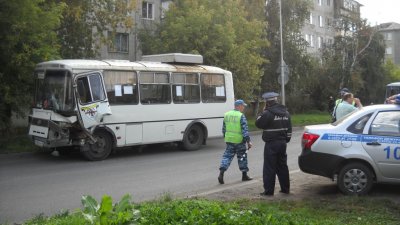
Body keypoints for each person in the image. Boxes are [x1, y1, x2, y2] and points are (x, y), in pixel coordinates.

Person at [255, 92, 292, 196]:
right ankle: (285, 189)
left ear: (267, 102)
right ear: (276, 101)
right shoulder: (286, 113)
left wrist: (261, 113)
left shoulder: (267, 113)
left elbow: (258, 123)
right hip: (282, 143)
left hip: (271, 144)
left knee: (269, 167)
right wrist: (286, 139)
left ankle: (269, 191)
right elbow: (289, 129)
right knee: (282, 166)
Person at [218, 99, 253, 184]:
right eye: (243, 106)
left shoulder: (226, 115)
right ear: (239, 106)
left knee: (227, 157)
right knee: (242, 158)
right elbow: (245, 131)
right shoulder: (241, 116)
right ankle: (244, 175)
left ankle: (221, 173)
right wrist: (248, 142)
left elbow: (224, 129)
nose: (243, 108)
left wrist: (226, 138)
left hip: (229, 140)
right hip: (239, 141)